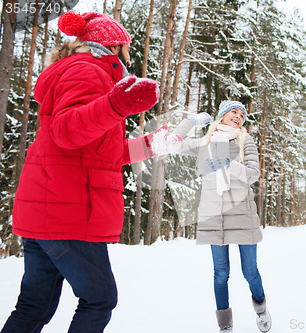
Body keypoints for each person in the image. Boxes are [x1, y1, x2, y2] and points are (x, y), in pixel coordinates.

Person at [1, 11, 182, 333]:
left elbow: (99, 152)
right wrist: (116, 106)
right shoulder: (88, 71)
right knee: (98, 300)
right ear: (114, 48)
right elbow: (67, 132)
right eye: (127, 48)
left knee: (33, 307)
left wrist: (153, 144)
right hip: (68, 211)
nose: (130, 56)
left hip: (48, 209)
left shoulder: (81, 71)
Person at [173, 101, 271, 333]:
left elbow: (253, 174)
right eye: (233, 112)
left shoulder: (246, 140)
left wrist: (229, 165)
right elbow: (174, 144)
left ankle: (261, 308)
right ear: (222, 116)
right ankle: (225, 326)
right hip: (213, 216)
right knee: (221, 274)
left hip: (242, 214)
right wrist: (192, 121)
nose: (238, 117)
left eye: (242, 115)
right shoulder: (206, 143)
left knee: (250, 272)